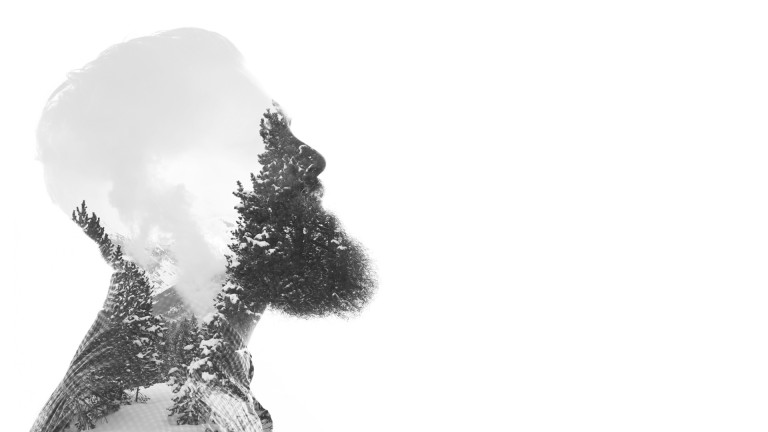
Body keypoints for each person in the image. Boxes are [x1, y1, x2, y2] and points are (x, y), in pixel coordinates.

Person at [31, 28, 375, 432]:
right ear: (154, 189)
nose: (311, 158)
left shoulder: (172, 397)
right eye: (257, 138)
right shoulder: (163, 412)